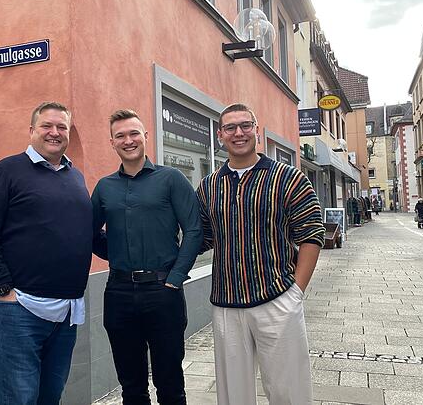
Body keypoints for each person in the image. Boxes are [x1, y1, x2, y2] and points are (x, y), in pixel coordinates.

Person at [196, 103, 325, 405]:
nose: (238, 133)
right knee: (233, 396)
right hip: (226, 303)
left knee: (289, 393)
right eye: (230, 127)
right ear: (220, 135)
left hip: (277, 298)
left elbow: (312, 234)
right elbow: (202, 238)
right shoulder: (208, 186)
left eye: (245, 125)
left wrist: (296, 292)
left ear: (256, 130)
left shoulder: (288, 177)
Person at [0, 102, 94, 405]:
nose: (55, 132)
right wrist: (3, 289)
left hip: (66, 311)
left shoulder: (75, 177)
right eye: (46, 126)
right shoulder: (5, 172)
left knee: (50, 397)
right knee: (19, 399)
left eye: (61, 127)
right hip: (18, 309)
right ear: (31, 131)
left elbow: (84, 233)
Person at [91, 109, 202, 405]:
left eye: (134, 133)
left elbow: (194, 230)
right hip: (118, 293)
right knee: (131, 386)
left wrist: (176, 277)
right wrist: (116, 252)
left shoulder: (171, 179)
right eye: (120, 136)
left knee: (170, 384)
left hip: (163, 291)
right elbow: (89, 232)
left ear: (146, 136)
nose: (128, 140)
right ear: (112, 142)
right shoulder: (104, 187)